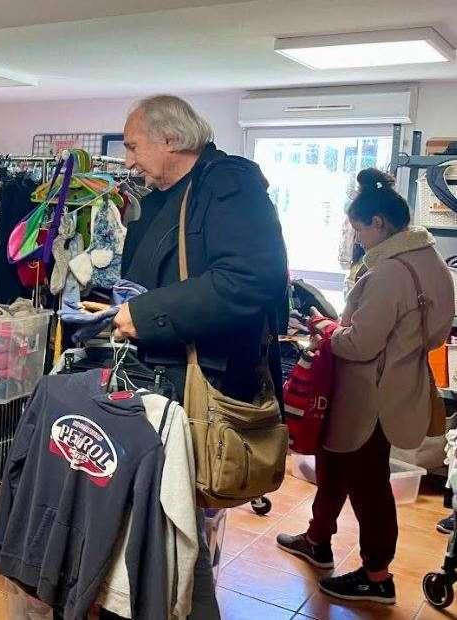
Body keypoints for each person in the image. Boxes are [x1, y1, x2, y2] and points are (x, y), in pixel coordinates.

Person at [113, 94, 289, 620]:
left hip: (197, 387)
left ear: (170, 140)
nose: (128, 160)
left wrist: (145, 315)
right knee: (162, 523)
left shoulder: (229, 186)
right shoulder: (167, 192)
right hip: (159, 380)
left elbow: (249, 280)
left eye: (132, 146)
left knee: (182, 526)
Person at [277, 169, 455, 605]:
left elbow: (358, 344)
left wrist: (324, 326)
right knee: (335, 462)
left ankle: (377, 576)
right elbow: (435, 334)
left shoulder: (389, 272)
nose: (357, 238)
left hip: (368, 394)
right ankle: (318, 541)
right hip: (397, 385)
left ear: (378, 223)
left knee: (368, 484)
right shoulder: (431, 261)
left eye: (358, 229)